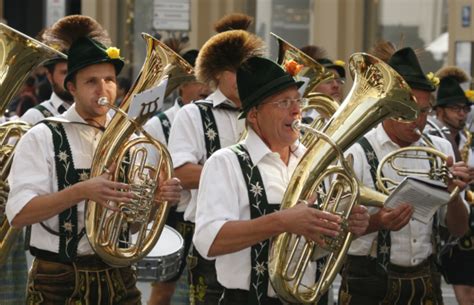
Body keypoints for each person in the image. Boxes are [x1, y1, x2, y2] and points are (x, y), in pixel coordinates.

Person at [5, 24, 182, 304]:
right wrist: (81, 191)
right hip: (59, 278)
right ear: (71, 87)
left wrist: (156, 202)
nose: (104, 89)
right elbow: (19, 214)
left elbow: (134, 225)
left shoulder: (132, 137)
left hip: (119, 275)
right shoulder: (43, 135)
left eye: (110, 80)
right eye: (92, 81)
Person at [192, 56, 369, 305]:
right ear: (254, 115)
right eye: (284, 102)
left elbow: (321, 241)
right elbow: (207, 241)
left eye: (297, 100)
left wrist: (346, 225)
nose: (296, 110)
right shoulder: (225, 163)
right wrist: (282, 221)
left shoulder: (313, 160)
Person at [337, 44, 471, 305]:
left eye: (423, 112)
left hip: (426, 279)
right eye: (407, 110)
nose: (416, 120)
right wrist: (378, 223)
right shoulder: (357, 151)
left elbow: (458, 228)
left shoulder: (440, 149)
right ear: (387, 106)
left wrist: (455, 195)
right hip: (367, 282)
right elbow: (334, 231)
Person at [168, 18, 265, 304]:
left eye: (247, 70)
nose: (243, 78)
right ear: (217, 75)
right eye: (235, 71)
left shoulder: (263, 111)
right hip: (212, 235)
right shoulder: (193, 114)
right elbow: (182, 172)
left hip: (262, 232)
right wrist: (241, 178)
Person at [144, 48, 210, 305]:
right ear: (181, 86)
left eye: (208, 80)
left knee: (203, 290)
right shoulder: (159, 124)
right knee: (163, 290)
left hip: (207, 213)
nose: (204, 87)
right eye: (196, 80)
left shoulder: (214, 116)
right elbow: (146, 176)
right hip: (172, 217)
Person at [430, 66, 474, 305]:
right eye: (456, 108)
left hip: (464, 214)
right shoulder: (431, 136)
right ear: (439, 110)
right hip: (440, 217)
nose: (462, 114)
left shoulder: (466, 137)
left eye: (465, 109)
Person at [21, 15, 96, 125]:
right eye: (64, 72)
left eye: (76, 72)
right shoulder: (34, 117)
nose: (71, 78)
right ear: (50, 77)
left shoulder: (103, 114)